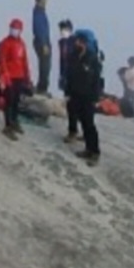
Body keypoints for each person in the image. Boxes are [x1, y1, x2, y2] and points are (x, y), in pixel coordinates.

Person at [68, 30, 103, 165]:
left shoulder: (92, 58)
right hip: (76, 94)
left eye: (78, 41)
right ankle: (88, 149)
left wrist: (95, 98)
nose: (76, 43)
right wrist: (68, 91)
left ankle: (95, 151)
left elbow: (96, 80)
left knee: (89, 124)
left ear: (83, 43)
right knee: (82, 121)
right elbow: (71, 75)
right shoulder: (74, 56)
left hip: (88, 96)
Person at [0, 18, 30, 139]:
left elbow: (25, 60)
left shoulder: (22, 44)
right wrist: (5, 75)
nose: (14, 30)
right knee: (9, 100)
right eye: (12, 28)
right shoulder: (5, 43)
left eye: (16, 28)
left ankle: (15, 121)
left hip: (19, 76)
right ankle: (8, 125)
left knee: (16, 100)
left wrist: (27, 76)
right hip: (9, 76)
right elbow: (2, 60)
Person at [55, 20, 79, 141]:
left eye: (65, 29)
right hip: (66, 76)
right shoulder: (61, 43)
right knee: (70, 105)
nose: (63, 32)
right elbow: (62, 61)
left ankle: (75, 131)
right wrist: (62, 76)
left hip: (76, 77)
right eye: (61, 30)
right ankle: (72, 130)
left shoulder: (76, 42)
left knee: (76, 105)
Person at [32, 0, 53, 95]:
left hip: (43, 41)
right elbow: (40, 29)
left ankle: (42, 87)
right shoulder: (38, 12)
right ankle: (42, 88)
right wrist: (44, 44)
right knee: (45, 66)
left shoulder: (41, 12)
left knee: (45, 66)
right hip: (42, 42)